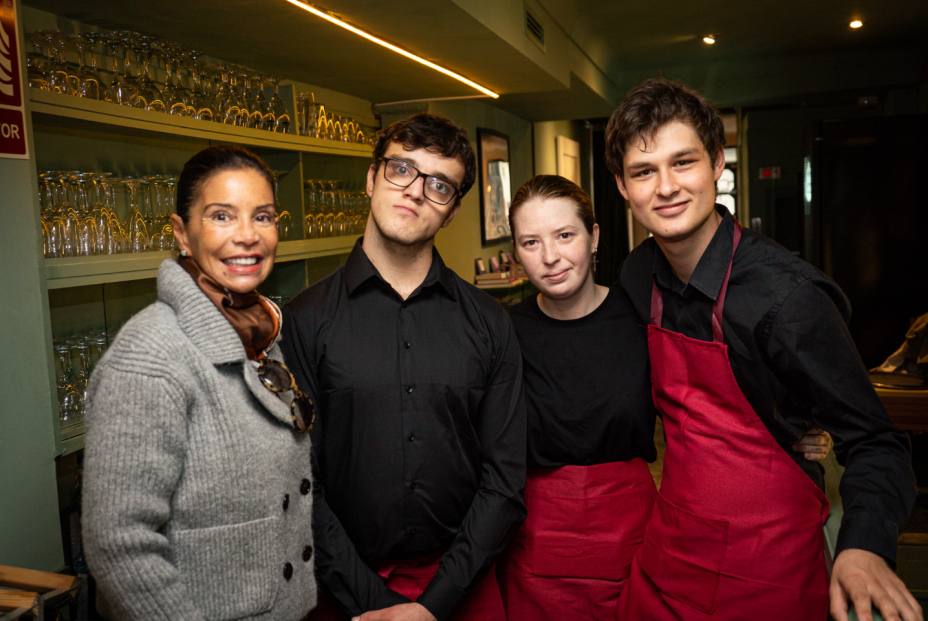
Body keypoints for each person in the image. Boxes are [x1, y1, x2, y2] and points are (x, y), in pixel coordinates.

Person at [606, 77, 919, 621]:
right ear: (622, 187)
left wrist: (864, 546)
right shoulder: (637, 276)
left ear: (718, 164)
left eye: (684, 162)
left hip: (768, 567)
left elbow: (876, 441)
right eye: (643, 171)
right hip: (670, 556)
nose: (666, 187)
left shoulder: (789, 299)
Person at [498, 174, 833, 620]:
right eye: (530, 242)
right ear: (517, 251)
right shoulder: (501, 331)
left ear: (593, 237)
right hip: (534, 538)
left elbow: (711, 396)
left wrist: (791, 429)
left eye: (564, 235)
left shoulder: (641, 313)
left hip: (633, 535)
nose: (551, 257)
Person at [280, 113, 525, 621]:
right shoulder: (303, 322)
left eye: (439, 185)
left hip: (461, 589)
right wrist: (375, 602)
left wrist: (433, 606)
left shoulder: (490, 323)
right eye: (401, 169)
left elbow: (503, 481)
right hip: (341, 590)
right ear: (371, 179)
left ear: (452, 210)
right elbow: (298, 481)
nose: (415, 191)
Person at [82, 145, 317, 620]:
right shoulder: (151, 353)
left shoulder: (263, 333)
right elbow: (119, 544)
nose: (248, 236)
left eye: (263, 217)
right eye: (222, 216)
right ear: (182, 234)